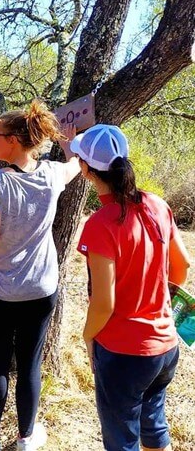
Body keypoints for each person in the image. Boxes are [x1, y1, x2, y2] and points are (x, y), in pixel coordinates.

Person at [72, 124, 191, 451]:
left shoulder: (99, 224)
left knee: (122, 441)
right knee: (153, 427)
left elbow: (104, 303)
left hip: (124, 355)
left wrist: (87, 336)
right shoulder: (157, 205)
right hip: (165, 349)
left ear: (86, 170)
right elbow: (181, 268)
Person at [0, 99, 80, 451]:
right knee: (31, 365)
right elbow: (75, 165)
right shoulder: (51, 174)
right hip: (42, 288)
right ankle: (26, 437)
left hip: (3, 289)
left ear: (14, 141)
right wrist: (70, 140)